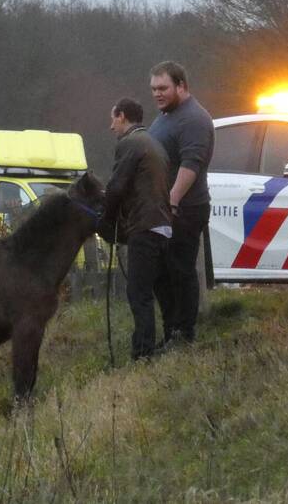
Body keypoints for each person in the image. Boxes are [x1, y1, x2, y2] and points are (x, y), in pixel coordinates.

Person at [96, 97, 174, 360]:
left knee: (138, 293)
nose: (111, 127)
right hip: (163, 225)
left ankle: (143, 353)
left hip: (145, 226)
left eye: (112, 119)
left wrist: (104, 219)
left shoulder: (130, 143)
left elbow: (117, 186)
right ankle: (172, 338)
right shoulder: (154, 144)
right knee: (160, 289)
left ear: (121, 116)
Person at [147, 61, 214, 344]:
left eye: (163, 88)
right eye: (153, 89)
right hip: (162, 208)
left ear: (181, 86)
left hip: (184, 209)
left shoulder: (193, 119)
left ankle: (184, 333)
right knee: (160, 272)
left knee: (180, 270)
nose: (157, 94)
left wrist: (172, 201)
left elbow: (191, 164)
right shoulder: (166, 116)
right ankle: (170, 328)